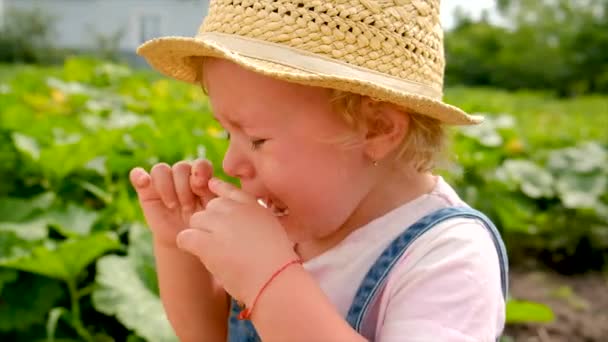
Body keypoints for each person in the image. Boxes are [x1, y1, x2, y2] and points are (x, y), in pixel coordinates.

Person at [129, 0, 508, 341]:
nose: (230, 164)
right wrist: (177, 244)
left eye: (258, 139)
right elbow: (210, 336)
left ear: (377, 129)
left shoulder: (448, 258)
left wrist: (270, 279)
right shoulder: (285, 217)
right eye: (230, 133)